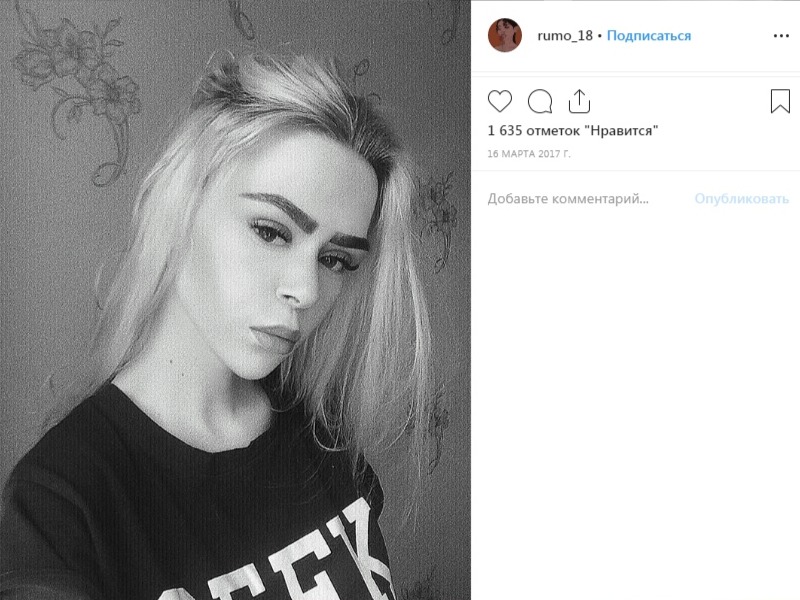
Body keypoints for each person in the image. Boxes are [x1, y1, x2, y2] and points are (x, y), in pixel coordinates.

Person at [0, 54, 433, 600]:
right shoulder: (60, 504)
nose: (306, 291)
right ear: (183, 205)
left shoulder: (320, 435)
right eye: (271, 231)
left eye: (336, 260)